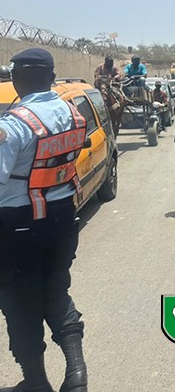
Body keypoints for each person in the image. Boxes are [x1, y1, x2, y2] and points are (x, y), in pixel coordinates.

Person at [0, 48, 89, 392]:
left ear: (15, 79)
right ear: (52, 78)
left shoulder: (15, 124)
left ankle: (36, 382)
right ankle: (77, 373)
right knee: (56, 288)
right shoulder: (72, 112)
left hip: (18, 226)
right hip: (63, 218)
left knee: (18, 301)